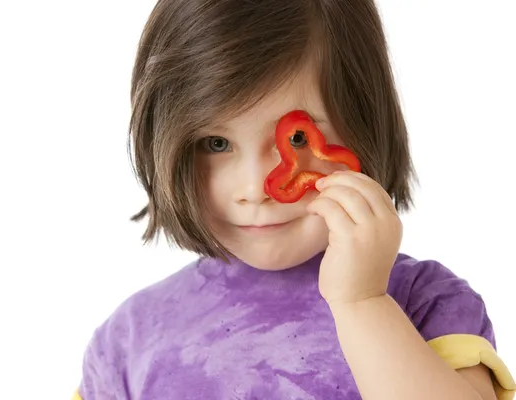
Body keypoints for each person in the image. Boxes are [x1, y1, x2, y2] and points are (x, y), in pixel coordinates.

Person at [72, 0, 515, 399]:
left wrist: (362, 303)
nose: (254, 189)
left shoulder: (425, 302)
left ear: (364, 122)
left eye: (297, 138)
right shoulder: (127, 340)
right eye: (216, 144)